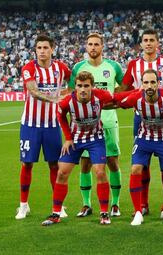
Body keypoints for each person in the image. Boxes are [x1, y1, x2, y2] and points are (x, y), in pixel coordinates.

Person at [119, 29, 163, 216]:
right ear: (140, 44)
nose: (148, 43)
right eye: (145, 40)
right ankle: (143, 204)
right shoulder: (134, 65)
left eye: (152, 40)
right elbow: (124, 87)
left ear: (157, 43)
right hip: (140, 118)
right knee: (143, 164)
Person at [41, 71, 120, 226]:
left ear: (92, 86)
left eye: (86, 86)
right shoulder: (67, 102)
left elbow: (118, 99)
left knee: (100, 172)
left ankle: (104, 213)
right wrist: (68, 138)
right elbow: (61, 117)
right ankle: (55, 213)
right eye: (79, 86)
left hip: (96, 139)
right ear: (75, 86)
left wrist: (140, 93)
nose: (83, 89)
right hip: (75, 140)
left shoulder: (100, 95)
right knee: (62, 173)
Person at [117, 69, 163, 226]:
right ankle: (138, 212)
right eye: (146, 82)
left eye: (152, 82)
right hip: (144, 139)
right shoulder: (135, 98)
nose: (149, 85)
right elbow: (118, 102)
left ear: (158, 84)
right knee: (135, 169)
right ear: (141, 84)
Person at [16, 34, 71, 220]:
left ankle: (58, 205)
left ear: (52, 49)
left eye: (45, 48)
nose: (42, 51)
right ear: (35, 50)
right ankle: (23, 205)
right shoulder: (29, 68)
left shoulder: (61, 68)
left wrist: (66, 94)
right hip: (30, 125)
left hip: (52, 125)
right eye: (39, 48)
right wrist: (54, 98)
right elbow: (32, 89)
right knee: (27, 163)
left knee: (54, 164)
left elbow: (74, 83)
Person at [69, 32, 124, 218]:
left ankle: (115, 204)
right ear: (86, 47)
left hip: (108, 121)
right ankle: (86, 204)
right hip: (84, 126)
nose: (93, 47)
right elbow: (71, 93)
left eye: (96, 44)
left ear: (102, 46)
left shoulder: (113, 66)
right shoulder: (78, 67)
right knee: (85, 164)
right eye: (90, 44)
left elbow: (124, 88)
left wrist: (112, 100)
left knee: (112, 162)